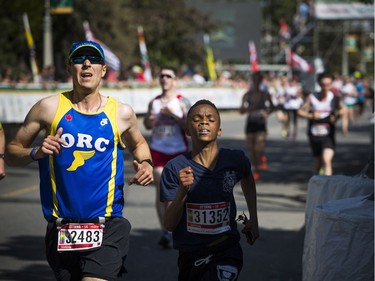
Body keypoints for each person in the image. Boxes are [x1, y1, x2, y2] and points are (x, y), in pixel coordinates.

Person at [5, 40, 154, 281]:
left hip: (108, 225)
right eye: (79, 59)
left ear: (103, 70)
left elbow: (138, 144)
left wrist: (146, 162)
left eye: (94, 59)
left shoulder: (121, 112)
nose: (86, 63)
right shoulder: (48, 108)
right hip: (61, 229)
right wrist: (35, 152)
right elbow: (12, 152)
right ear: (69, 68)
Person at [160, 99, 259, 281]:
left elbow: (247, 177)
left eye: (210, 119)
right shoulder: (175, 168)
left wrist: (254, 217)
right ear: (187, 130)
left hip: (226, 248)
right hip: (191, 254)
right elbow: (169, 224)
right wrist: (182, 191)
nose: (204, 122)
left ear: (219, 130)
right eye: (197, 119)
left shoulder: (235, 159)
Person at [143, 66, 191, 249]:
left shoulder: (182, 101)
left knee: (181, 190)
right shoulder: (154, 102)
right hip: (158, 149)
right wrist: (152, 120)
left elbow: (189, 127)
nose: (164, 78)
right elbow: (147, 124)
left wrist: (172, 115)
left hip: (178, 150)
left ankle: (179, 227)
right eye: (161, 75)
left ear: (174, 80)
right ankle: (165, 230)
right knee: (161, 188)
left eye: (168, 76)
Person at [297, 72, 345, 176]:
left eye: (328, 85)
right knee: (317, 161)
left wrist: (336, 115)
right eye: (323, 85)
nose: (325, 88)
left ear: (332, 84)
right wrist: (311, 116)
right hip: (314, 133)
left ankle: (328, 188)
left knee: (326, 160)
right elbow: (300, 111)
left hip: (328, 134)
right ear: (319, 84)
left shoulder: (334, 97)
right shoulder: (312, 97)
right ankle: (316, 181)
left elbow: (343, 110)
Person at [239, 72, 274, 181]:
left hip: (260, 122)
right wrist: (248, 109)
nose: (256, 81)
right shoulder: (247, 95)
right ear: (252, 81)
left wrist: (266, 113)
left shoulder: (265, 94)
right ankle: (256, 170)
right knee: (251, 149)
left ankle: (261, 155)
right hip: (250, 122)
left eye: (258, 79)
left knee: (258, 147)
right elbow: (241, 110)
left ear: (261, 81)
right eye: (254, 79)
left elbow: (272, 107)